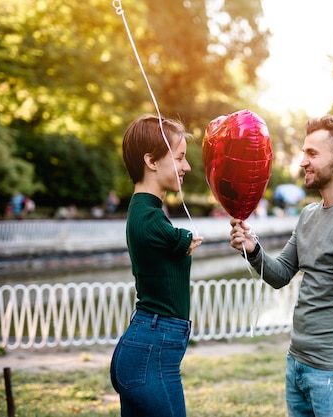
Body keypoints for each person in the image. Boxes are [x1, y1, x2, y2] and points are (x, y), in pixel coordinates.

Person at [230, 115, 333, 417]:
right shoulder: (308, 215)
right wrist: (252, 248)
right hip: (297, 360)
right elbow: (281, 274)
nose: (302, 162)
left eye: (312, 153)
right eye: (304, 152)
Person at [110, 114, 204, 417]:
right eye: (179, 158)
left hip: (149, 348)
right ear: (151, 161)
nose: (186, 167)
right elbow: (181, 239)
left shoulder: (147, 210)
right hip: (151, 352)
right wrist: (186, 238)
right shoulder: (147, 216)